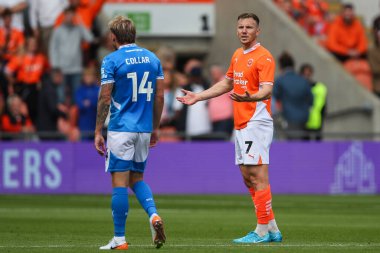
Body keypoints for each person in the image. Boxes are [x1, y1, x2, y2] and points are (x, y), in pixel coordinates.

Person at [177, 13, 282, 243]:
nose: (244, 31)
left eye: (249, 27)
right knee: (247, 177)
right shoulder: (237, 54)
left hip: (257, 121)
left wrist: (249, 98)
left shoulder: (264, 58)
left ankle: (262, 230)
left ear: (258, 31)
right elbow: (227, 83)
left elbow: (266, 90)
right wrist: (199, 96)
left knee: (258, 175)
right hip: (242, 122)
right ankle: (272, 228)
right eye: (241, 27)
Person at [94, 16, 166, 250]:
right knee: (137, 178)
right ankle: (153, 215)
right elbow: (160, 96)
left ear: (114, 37)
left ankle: (119, 239)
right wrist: (155, 127)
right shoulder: (153, 59)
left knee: (119, 182)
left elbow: (105, 97)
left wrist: (97, 130)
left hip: (121, 128)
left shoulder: (111, 60)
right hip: (144, 128)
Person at [49, 6, 93, 104]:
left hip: (76, 69)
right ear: (64, 15)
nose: (70, 16)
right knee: (61, 98)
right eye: (68, 14)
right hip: (61, 69)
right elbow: (53, 49)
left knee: (76, 99)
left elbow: (90, 39)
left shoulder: (78, 29)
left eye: (72, 14)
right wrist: (55, 67)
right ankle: (62, 118)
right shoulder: (58, 30)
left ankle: (74, 119)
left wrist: (80, 21)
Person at [273, 52, 313, 140]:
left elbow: (273, 99)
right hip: (304, 119)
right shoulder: (303, 80)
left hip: (288, 119)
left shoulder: (280, 81)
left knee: (291, 148)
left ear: (281, 66)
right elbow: (311, 100)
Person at [299, 63, 327, 140]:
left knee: (318, 147)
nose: (306, 77)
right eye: (304, 74)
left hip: (317, 122)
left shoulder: (321, 88)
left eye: (308, 74)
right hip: (303, 123)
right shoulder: (298, 89)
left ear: (311, 74)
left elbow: (324, 106)